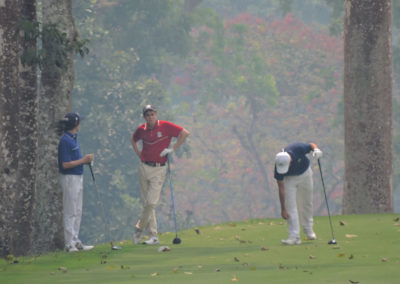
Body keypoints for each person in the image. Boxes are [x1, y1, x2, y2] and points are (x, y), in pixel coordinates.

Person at [131, 105, 190, 245]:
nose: (150, 117)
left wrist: (172, 149)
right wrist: (139, 153)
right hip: (144, 167)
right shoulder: (142, 129)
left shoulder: (165, 126)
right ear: (144, 117)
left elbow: (185, 133)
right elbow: (133, 139)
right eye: (147, 115)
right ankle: (153, 236)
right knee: (147, 204)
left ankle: (138, 229)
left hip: (159, 169)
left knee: (151, 202)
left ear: (156, 114)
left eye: (152, 114)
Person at [58, 112, 94, 252]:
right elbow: (65, 164)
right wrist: (84, 161)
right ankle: (69, 244)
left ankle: (75, 240)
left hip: (78, 176)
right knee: (70, 210)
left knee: (78, 210)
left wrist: (85, 162)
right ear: (75, 124)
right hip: (69, 178)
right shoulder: (65, 141)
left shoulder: (73, 138)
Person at [274, 142, 323, 245]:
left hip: (305, 174)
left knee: (307, 202)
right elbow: (281, 188)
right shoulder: (278, 166)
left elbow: (311, 145)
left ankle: (308, 230)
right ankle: (294, 236)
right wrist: (283, 208)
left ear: (290, 160)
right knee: (290, 206)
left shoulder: (297, 148)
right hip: (289, 180)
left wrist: (316, 150)